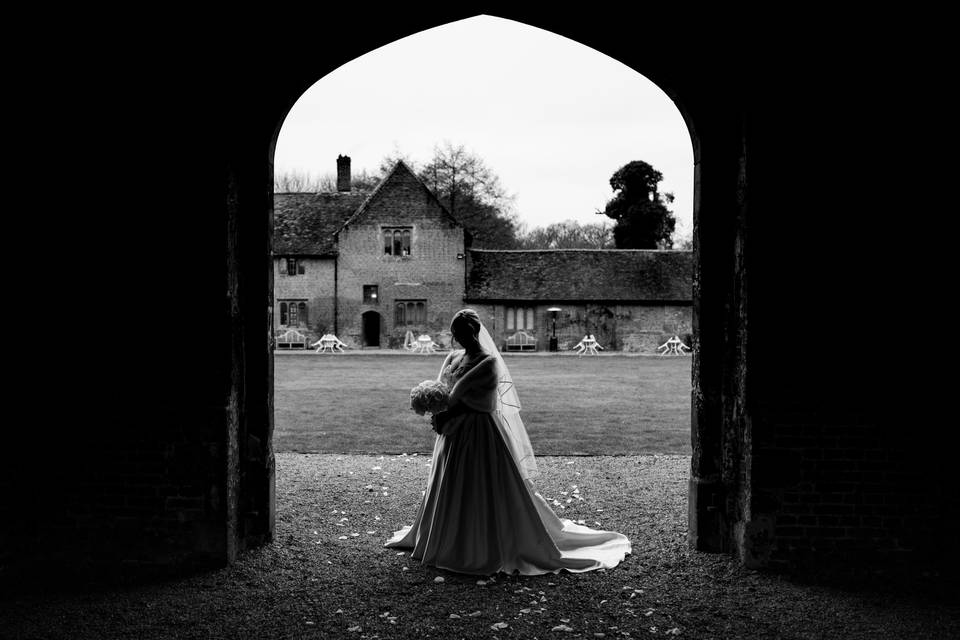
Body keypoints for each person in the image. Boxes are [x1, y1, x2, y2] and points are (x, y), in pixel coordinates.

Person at [385, 308, 631, 575]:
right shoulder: (453, 357)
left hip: (477, 431)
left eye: (463, 333)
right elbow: (441, 386)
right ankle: (445, 535)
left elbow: (456, 396)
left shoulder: (488, 362)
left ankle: (477, 545)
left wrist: (442, 409)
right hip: (453, 430)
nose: (458, 339)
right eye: (455, 333)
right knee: (450, 481)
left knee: (480, 483)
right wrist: (431, 401)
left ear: (474, 332)